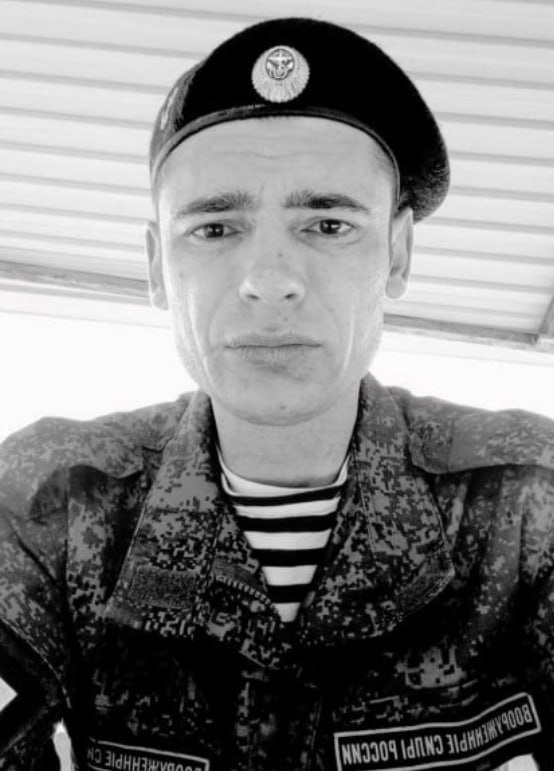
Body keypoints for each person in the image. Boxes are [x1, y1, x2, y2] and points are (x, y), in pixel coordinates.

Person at [0, 15, 553, 771]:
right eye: (215, 229)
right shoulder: (50, 505)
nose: (269, 281)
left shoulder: (525, 501)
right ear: (158, 268)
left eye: (327, 223)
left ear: (397, 253)